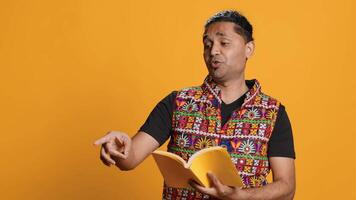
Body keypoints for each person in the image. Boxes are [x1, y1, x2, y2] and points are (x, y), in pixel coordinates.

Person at [94, 10, 296, 200]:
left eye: (224, 43)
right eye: (207, 44)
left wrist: (243, 196)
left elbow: (286, 188)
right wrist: (120, 148)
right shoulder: (177, 102)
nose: (213, 50)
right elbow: (130, 158)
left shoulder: (273, 112)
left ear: (248, 49)